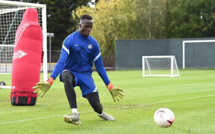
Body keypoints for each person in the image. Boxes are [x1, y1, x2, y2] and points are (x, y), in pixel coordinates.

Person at [33, 14, 124, 125]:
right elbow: (61, 62)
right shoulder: (69, 40)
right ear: (80, 25)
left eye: (91, 27)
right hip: (71, 72)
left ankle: (101, 113)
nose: (89, 29)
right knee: (66, 76)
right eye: (87, 26)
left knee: (97, 106)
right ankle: (75, 114)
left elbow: (99, 67)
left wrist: (109, 85)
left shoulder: (94, 44)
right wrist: (51, 79)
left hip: (86, 75)